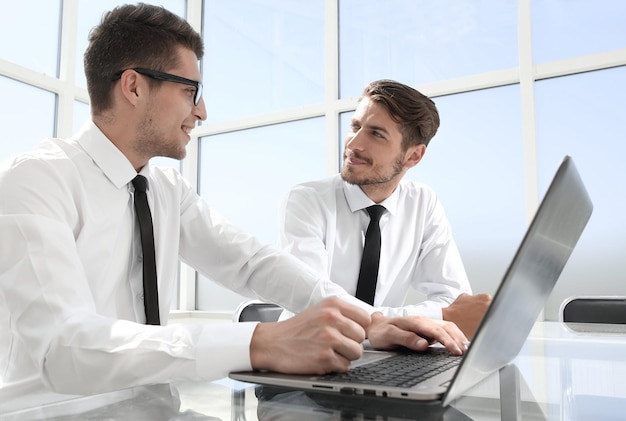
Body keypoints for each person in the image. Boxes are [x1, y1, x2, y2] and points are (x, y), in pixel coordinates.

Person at [0, 4, 469, 412]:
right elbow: (64, 348)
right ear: (134, 86)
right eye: (190, 90)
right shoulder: (36, 182)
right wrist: (262, 341)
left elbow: (252, 263)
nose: (202, 112)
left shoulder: (165, 189)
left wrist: (373, 321)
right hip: (54, 413)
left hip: (157, 411)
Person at [278, 79, 491, 339]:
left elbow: (452, 298)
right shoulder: (307, 200)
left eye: (376, 134)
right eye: (355, 126)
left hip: (387, 352)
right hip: (306, 351)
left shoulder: (423, 203)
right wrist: (436, 318)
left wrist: (402, 322)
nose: (354, 144)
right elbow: (317, 308)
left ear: (413, 156)